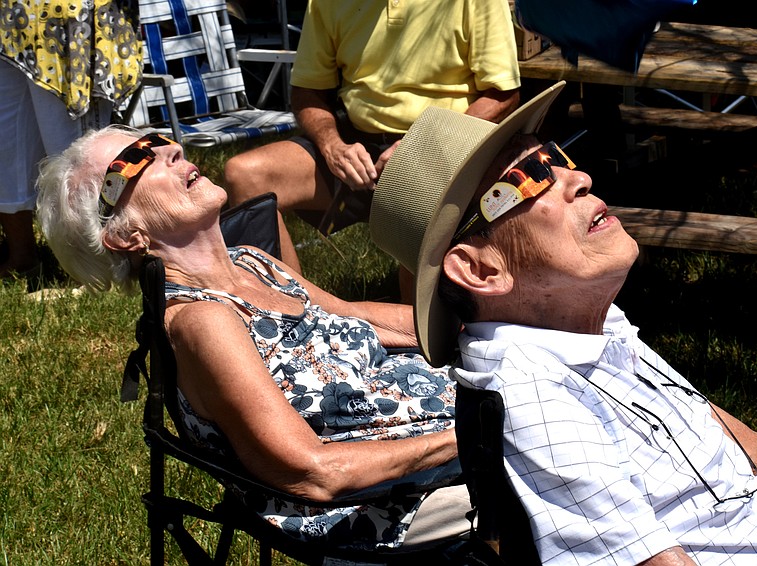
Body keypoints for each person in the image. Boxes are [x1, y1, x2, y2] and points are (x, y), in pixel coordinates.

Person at [369, 82, 757, 565]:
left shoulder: (586, 321)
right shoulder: (534, 398)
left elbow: (725, 435)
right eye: (528, 177)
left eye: (557, 157)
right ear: (481, 270)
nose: (578, 179)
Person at [34, 125, 473, 552]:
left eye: (160, 140)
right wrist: (480, 435)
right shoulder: (201, 321)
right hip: (388, 503)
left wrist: (489, 322)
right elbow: (314, 472)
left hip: (458, 427)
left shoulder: (252, 263)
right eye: (136, 160)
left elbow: (358, 318)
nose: (170, 151)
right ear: (124, 235)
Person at [223, 0, 522, 273]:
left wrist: (426, 143)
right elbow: (307, 91)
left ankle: (416, 325)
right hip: (357, 147)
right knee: (246, 176)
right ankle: (291, 311)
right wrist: (333, 147)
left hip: (442, 147)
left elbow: (502, 95)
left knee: (415, 241)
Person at [0, 0, 142, 282]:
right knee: (7, 148)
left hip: (72, 17)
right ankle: (22, 257)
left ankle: (99, 269)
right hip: (11, 19)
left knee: (80, 160)